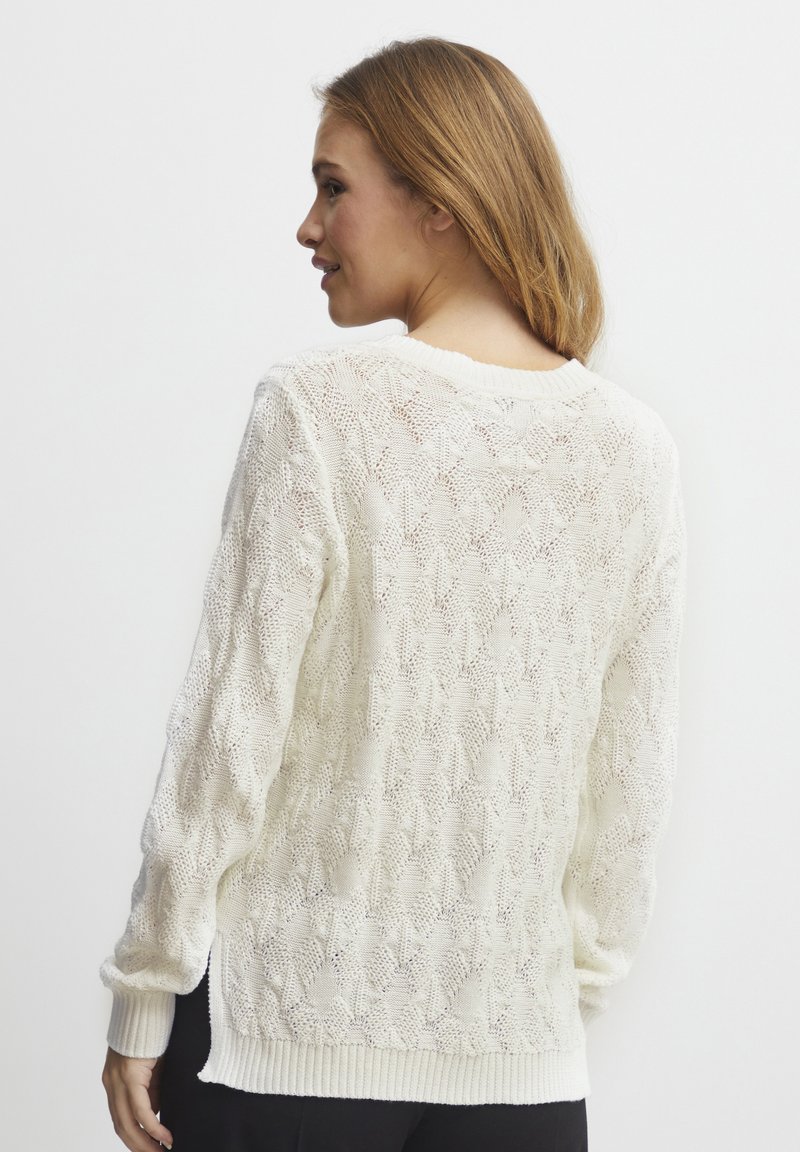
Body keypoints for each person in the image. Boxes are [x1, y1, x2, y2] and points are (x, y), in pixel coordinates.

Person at [100, 35, 687, 1152]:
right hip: (519, 1070)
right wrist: (553, 1009)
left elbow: (227, 742)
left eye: (333, 187)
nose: (307, 226)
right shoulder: (634, 451)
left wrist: (146, 986)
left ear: (440, 201)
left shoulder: (314, 413)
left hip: (277, 1055)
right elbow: (630, 785)